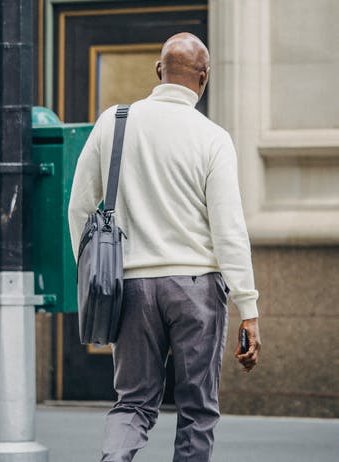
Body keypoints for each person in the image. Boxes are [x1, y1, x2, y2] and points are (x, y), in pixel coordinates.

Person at [68, 32, 261, 462]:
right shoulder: (213, 138)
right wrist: (248, 307)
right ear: (204, 77)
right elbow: (229, 229)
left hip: (132, 285)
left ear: (159, 71)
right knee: (197, 409)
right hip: (196, 289)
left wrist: (96, 272)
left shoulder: (114, 122)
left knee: (132, 402)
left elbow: (79, 206)